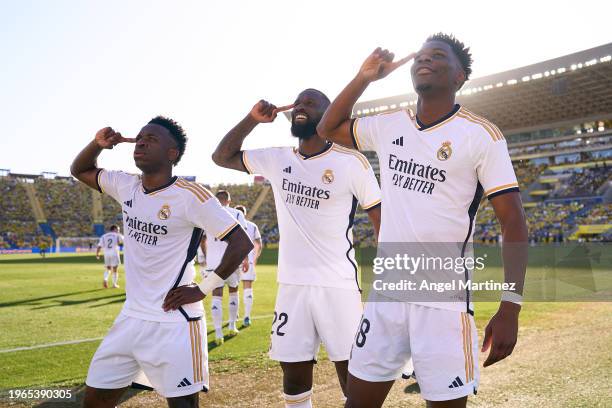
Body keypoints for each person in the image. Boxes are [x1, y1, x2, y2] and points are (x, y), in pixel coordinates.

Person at [317, 33, 528, 408]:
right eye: (420, 56)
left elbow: (513, 223)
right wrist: (364, 78)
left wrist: (510, 306)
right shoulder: (389, 124)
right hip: (385, 299)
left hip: (443, 305)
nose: (423, 60)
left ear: (460, 76)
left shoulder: (481, 135)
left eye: (437, 55)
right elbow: (328, 129)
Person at [212, 88, 382, 408]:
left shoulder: (351, 162)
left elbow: (380, 220)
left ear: (328, 113)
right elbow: (221, 157)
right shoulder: (277, 159)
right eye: (299, 102)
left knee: (353, 376)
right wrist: (252, 119)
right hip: (291, 284)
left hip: (337, 284)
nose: (302, 106)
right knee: (293, 375)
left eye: (311, 102)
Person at [71, 116, 252, 408]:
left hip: (175, 321)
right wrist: (97, 144)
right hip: (131, 317)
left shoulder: (192, 196)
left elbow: (241, 242)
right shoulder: (124, 184)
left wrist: (204, 288)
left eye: (152, 139)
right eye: (140, 137)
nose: (141, 141)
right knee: (95, 400)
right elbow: (79, 169)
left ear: (172, 154)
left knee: (183, 406)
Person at [202, 190, 249, 345]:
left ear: (216, 200)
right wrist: (246, 259)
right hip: (232, 261)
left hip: (213, 263)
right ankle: (232, 325)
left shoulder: (207, 214)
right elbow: (244, 240)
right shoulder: (237, 213)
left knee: (216, 296)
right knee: (234, 292)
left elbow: (202, 240)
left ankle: (218, 333)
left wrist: (205, 258)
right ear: (229, 201)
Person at [234, 204, 262, 326]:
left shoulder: (230, 225)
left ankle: (233, 315)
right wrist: (254, 260)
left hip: (232, 261)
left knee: (233, 289)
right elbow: (259, 244)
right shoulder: (252, 226)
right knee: (247, 288)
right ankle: (247, 317)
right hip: (248, 261)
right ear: (244, 214)